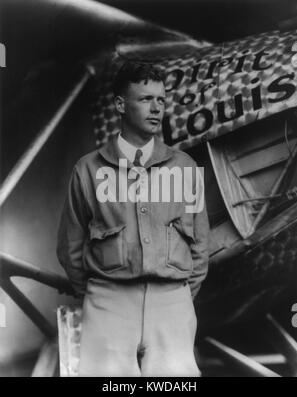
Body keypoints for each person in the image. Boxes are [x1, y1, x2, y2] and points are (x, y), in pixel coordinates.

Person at [57, 61, 210, 377]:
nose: (156, 108)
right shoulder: (88, 170)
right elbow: (70, 248)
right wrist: (99, 297)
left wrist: (177, 296)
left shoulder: (185, 167)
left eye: (161, 100)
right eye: (145, 99)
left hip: (172, 303)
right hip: (108, 303)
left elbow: (200, 245)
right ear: (119, 105)